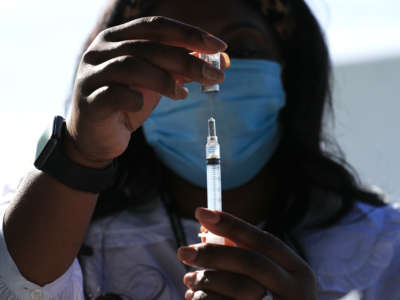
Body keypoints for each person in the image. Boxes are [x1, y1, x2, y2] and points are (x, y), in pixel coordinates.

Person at [0, 0, 399, 299]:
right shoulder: (68, 230)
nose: (214, 78)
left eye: (241, 50)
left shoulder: (381, 246)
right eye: (176, 55)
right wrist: (80, 154)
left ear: (288, 71)